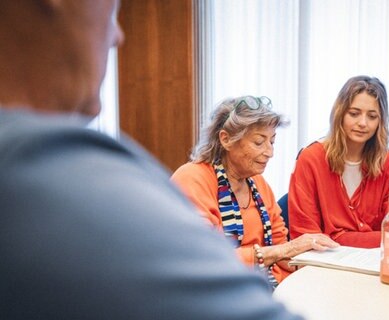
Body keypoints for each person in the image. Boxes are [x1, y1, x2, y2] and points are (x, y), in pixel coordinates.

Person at [0, 1, 303, 319]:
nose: (118, 36)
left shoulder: (259, 185)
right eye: (111, 12)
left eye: (272, 141)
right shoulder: (55, 168)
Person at [171, 96, 338, 285]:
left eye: (272, 142)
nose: (270, 152)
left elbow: (280, 249)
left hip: (263, 284)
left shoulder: (258, 183)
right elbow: (204, 259)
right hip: (214, 290)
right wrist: (285, 250)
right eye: (259, 142)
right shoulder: (192, 178)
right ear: (226, 139)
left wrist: (319, 261)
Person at [288, 75, 389, 248]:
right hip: (323, 261)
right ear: (340, 114)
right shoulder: (311, 159)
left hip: (373, 261)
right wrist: (370, 239)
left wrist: (338, 238)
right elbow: (305, 234)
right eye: (354, 114)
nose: (363, 123)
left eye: (372, 116)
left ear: (381, 121)